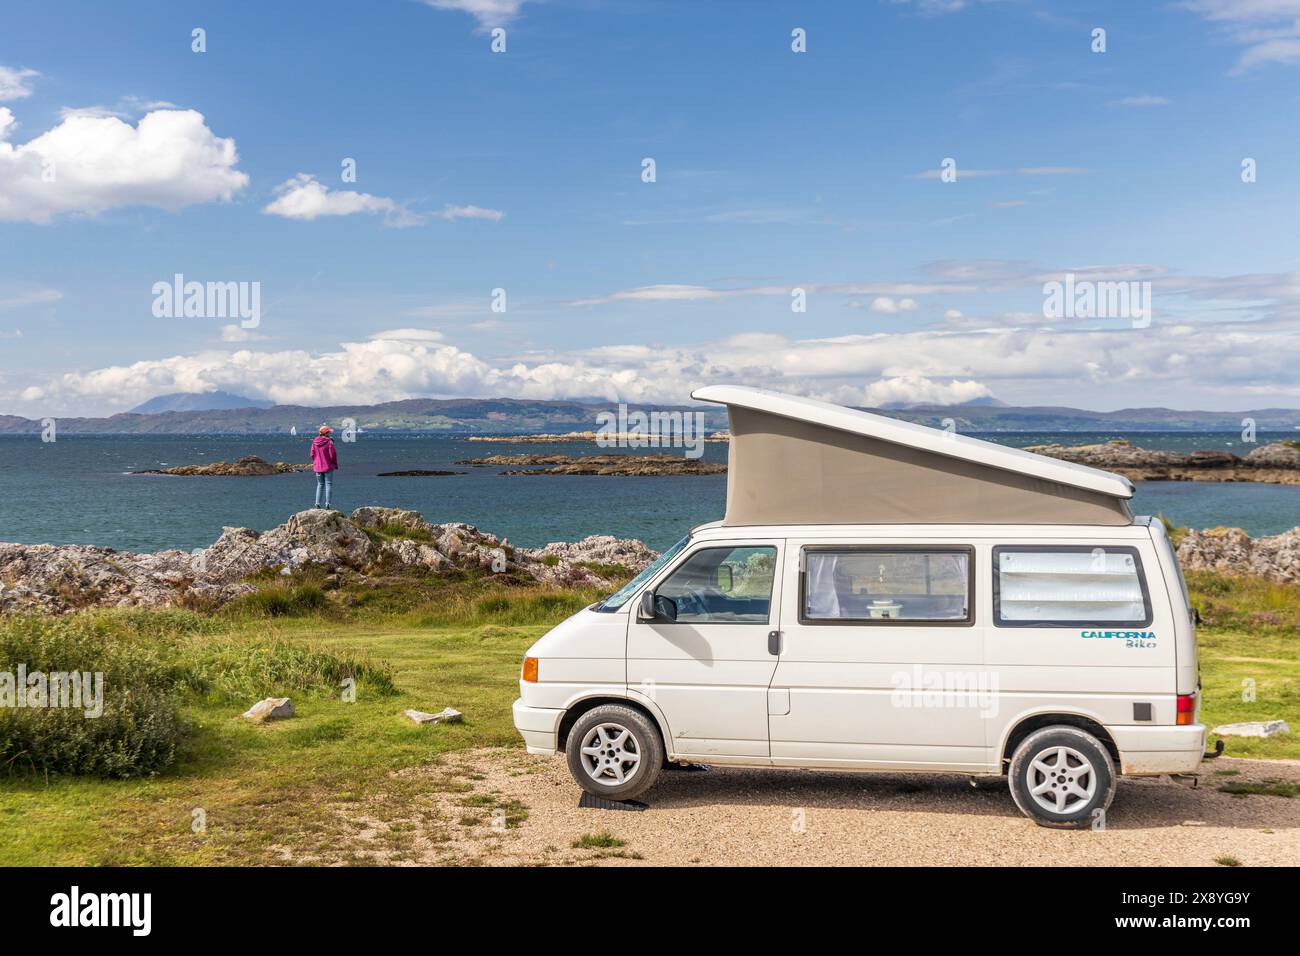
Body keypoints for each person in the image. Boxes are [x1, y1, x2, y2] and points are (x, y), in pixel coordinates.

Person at [311, 425, 338, 509]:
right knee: (328, 484)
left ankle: (317, 504)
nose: (330, 433)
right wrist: (334, 464)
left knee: (320, 484)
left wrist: (316, 461)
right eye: (329, 432)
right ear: (326, 433)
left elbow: (312, 454)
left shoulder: (314, 442)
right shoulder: (330, 442)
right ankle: (328, 504)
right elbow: (332, 455)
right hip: (328, 466)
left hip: (317, 467)